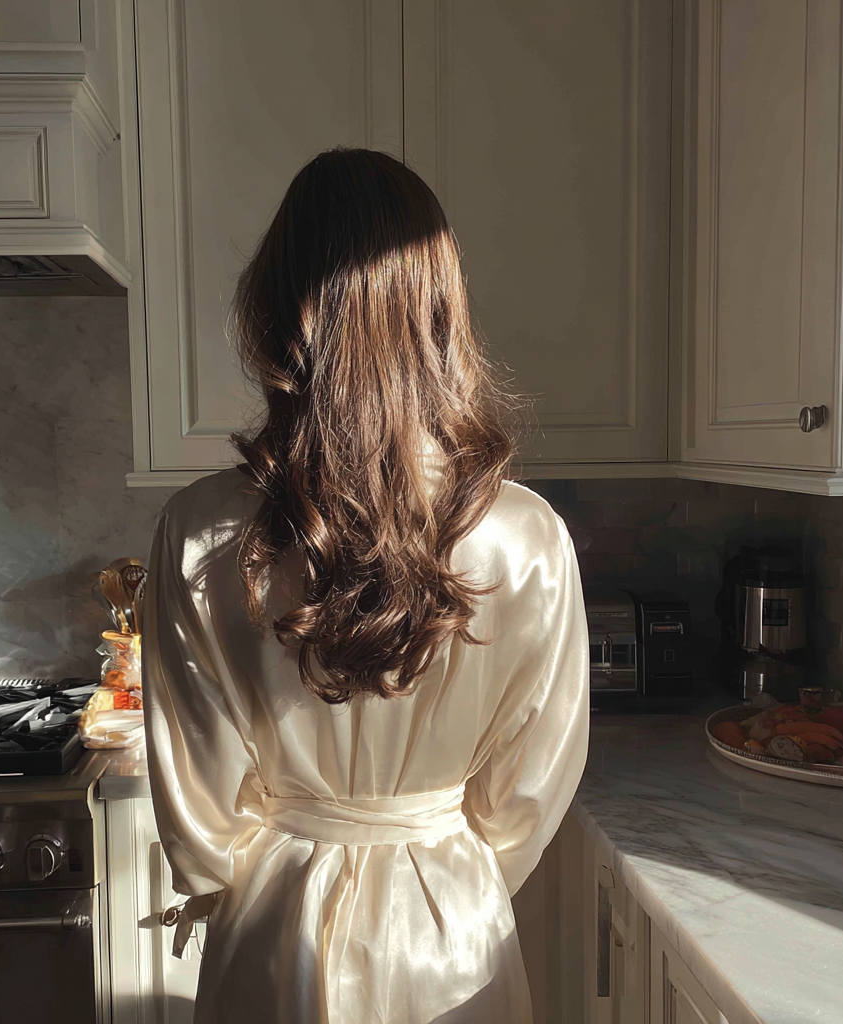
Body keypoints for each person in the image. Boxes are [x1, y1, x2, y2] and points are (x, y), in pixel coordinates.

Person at [143, 148, 589, 1024]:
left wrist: (237, 870)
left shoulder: (201, 533)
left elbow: (200, 810)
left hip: (272, 940)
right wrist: (444, 869)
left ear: (275, 314)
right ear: (441, 313)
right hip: (451, 936)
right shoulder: (527, 536)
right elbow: (527, 795)